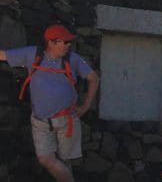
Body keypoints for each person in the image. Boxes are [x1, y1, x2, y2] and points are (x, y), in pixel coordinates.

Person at [0, 24, 100, 182]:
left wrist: (86, 106)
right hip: (40, 121)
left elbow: (93, 78)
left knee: (66, 161)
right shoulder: (32, 54)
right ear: (51, 43)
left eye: (69, 42)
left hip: (67, 120)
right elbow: (3, 55)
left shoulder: (73, 59)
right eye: (65, 42)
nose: (69, 45)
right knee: (45, 159)